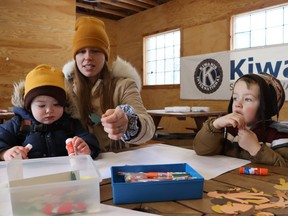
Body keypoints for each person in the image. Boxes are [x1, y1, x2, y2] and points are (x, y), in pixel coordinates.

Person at [62, 16, 155, 151]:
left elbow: (148, 126)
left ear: (105, 56)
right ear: (75, 57)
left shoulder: (124, 85)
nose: (88, 57)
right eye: (82, 51)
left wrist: (129, 122)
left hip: (118, 161)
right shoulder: (65, 88)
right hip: (78, 161)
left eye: (95, 50)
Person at [0, 64, 100, 161]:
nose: (49, 110)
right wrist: (5, 153)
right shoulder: (19, 124)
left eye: (57, 104)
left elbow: (89, 139)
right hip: (30, 175)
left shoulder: (70, 123)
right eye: (41, 106)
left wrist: (87, 148)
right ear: (29, 107)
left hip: (65, 174)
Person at [193, 73, 288, 167]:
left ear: (266, 106)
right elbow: (201, 150)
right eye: (235, 98)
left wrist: (255, 149)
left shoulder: (278, 135)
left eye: (247, 99)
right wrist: (214, 125)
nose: (237, 104)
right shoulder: (226, 129)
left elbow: (284, 168)